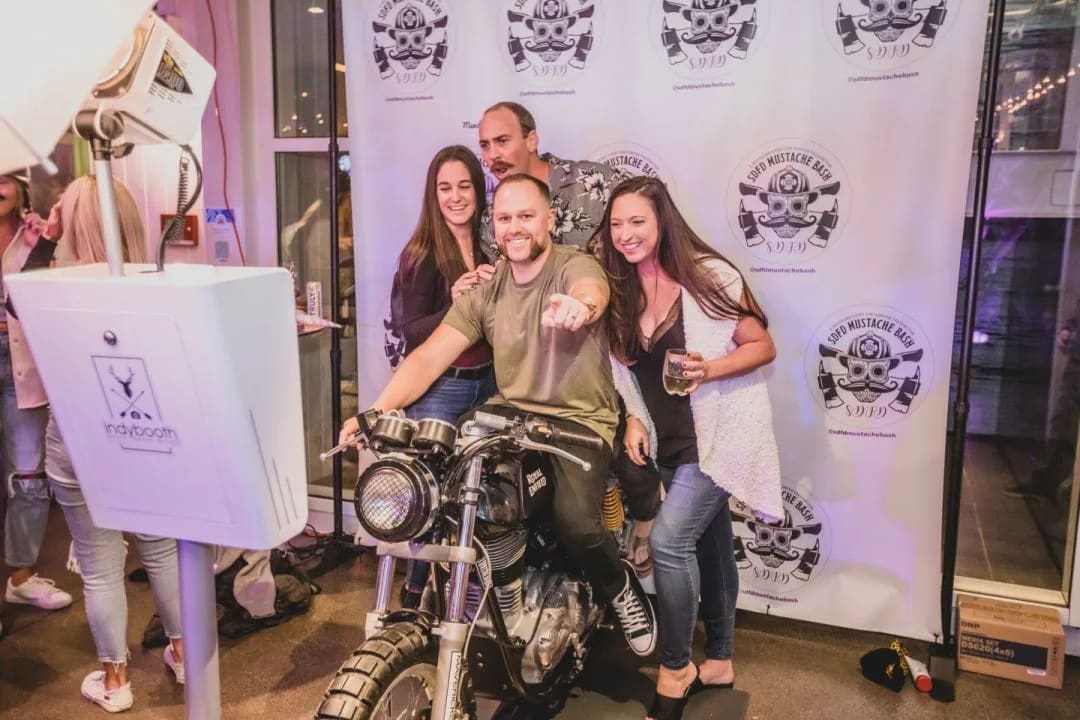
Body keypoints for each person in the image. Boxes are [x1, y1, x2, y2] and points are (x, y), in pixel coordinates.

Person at [342, 173, 657, 656]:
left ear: (549, 220)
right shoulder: (487, 291)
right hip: (511, 416)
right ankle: (480, 595)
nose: (515, 227)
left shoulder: (573, 265)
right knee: (447, 494)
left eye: (526, 216)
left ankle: (620, 588)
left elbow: (591, 290)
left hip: (579, 422)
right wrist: (376, 410)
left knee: (576, 524)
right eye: (506, 218)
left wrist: (580, 307)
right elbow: (429, 357)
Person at [595, 176, 783, 720]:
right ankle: (719, 660)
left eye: (637, 221)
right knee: (713, 547)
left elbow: (763, 345)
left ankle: (675, 667)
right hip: (671, 444)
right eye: (617, 224)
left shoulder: (709, 277)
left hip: (719, 438)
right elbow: (623, 372)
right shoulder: (619, 288)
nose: (626, 234)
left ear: (662, 222)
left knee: (671, 541)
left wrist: (711, 368)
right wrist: (634, 418)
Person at [39, 176, 184, 713]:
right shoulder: (154, 288)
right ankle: (186, 653)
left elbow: (13, 298)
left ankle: (115, 681)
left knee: (100, 567)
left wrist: (48, 238)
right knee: (162, 548)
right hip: (140, 436)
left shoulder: (47, 293)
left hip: (76, 440)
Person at [389, 146, 497, 607]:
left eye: (464, 186)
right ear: (433, 195)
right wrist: (453, 301)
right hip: (441, 390)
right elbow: (410, 333)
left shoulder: (493, 244)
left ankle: (470, 598)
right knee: (428, 499)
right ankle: (414, 597)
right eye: (445, 188)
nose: (455, 197)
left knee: (478, 496)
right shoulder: (421, 254)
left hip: (490, 384)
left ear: (479, 188)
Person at [0, 172, 72, 638]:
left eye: (4, 175)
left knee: (28, 478)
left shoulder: (37, 235)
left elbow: (52, 299)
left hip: (20, 367)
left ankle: (21, 578)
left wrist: (46, 247)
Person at [472, 101, 625, 264]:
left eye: (502, 141)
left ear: (531, 141)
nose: (493, 155)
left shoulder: (596, 181)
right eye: (485, 145)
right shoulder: (491, 223)